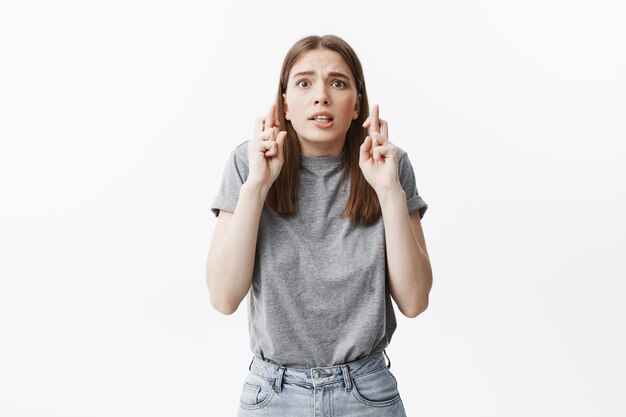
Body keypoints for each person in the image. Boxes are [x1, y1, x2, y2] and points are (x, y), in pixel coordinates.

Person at [206, 34, 431, 417]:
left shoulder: (390, 166)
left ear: (357, 103)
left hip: (366, 393)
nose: (321, 96)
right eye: (304, 82)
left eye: (338, 83)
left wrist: (390, 191)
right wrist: (257, 187)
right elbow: (223, 298)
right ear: (284, 104)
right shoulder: (249, 165)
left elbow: (414, 300)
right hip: (273, 395)